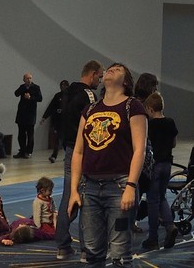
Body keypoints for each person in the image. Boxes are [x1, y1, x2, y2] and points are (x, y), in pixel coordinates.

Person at [67, 61, 147, 268]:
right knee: (92, 251)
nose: (111, 70)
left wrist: (131, 186)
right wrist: (74, 190)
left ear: (126, 81)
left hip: (119, 187)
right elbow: (78, 151)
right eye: (109, 68)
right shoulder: (90, 109)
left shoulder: (133, 106)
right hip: (90, 187)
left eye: (118, 69)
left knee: (119, 253)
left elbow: (139, 150)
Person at [55, 60, 103, 259]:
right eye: (100, 77)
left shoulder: (66, 92)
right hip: (82, 150)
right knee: (87, 198)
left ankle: (62, 245)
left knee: (68, 195)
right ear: (92, 74)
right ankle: (86, 249)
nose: (100, 81)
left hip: (68, 148)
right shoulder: (89, 95)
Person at [143, 91, 178, 251]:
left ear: (150, 109)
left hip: (154, 166)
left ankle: (153, 238)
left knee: (152, 201)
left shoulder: (149, 125)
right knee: (162, 197)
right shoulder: (170, 122)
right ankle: (170, 225)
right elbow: (174, 144)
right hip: (167, 165)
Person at [13, 72, 42, 158]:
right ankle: (22, 150)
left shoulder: (36, 87)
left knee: (30, 135)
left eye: (30, 78)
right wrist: (24, 88)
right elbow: (16, 93)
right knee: (21, 134)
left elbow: (40, 98)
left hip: (30, 114)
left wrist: (30, 98)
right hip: (22, 114)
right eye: (27, 78)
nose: (29, 80)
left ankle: (29, 152)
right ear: (24, 79)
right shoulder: (22, 87)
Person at [43, 78, 69, 162]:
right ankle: (54, 156)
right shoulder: (58, 96)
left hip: (68, 121)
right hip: (59, 121)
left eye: (64, 85)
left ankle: (68, 156)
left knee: (66, 141)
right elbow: (51, 107)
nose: (62, 87)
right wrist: (44, 117)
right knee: (59, 139)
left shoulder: (71, 96)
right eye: (61, 85)